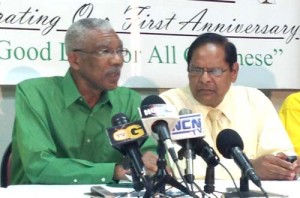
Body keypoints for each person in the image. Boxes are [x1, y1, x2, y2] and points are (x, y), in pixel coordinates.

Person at [10, 18, 158, 185]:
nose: (117, 60)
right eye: (104, 51)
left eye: (120, 51)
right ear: (75, 60)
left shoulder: (129, 99)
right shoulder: (34, 94)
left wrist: (151, 159)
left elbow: (147, 149)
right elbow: (39, 166)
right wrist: (114, 171)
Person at [160, 32, 300, 181]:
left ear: (233, 72)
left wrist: (282, 166)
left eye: (215, 71)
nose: (204, 79)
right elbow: (179, 167)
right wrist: (248, 168)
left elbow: (280, 153)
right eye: (196, 70)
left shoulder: (254, 100)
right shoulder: (168, 105)